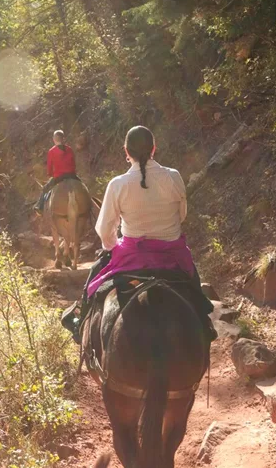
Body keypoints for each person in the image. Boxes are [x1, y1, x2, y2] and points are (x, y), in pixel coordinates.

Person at [61, 125, 215, 341]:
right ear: (154, 149)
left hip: (132, 255)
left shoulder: (118, 184)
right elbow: (181, 216)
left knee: (94, 280)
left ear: (126, 151)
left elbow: (105, 230)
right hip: (172, 253)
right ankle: (205, 321)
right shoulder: (173, 177)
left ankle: (80, 319)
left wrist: (111, 247)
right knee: (193, 282)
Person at [35, 130, 78, 213]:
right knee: (83, 186)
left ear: (54, 139)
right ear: (63, 139)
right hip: (72, 175)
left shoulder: (51, 151)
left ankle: (39, 207)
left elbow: (49, 167)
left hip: (59, 177)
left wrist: (51, 175)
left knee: (45, 189)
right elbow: (73, 164)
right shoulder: (69, 149)